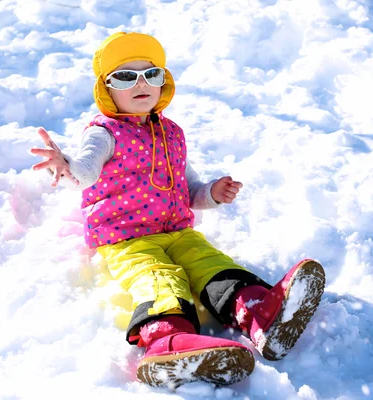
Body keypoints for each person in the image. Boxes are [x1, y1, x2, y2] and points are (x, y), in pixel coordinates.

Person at [30, 32, 325, 389]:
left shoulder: (170, 134)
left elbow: (188, 189)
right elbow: (85, 172)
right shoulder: (103, 133)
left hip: (178, 231)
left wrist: (211, 193)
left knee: (214, 266)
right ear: (106, 90)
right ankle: (166, 341)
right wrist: (64, 165)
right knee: (160, 279)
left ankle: (259, 314)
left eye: (151, 75)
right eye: (125, 76)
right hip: (126, 239)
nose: (141, 83)